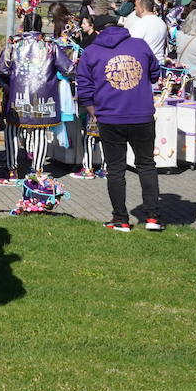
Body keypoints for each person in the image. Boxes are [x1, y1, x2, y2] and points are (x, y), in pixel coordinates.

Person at [74, 15, 162, 232]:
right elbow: (154, 74)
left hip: (109, 116)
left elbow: (83, 87)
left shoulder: (92, 52)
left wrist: (94, 111)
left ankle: (120, 219)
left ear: (98, 30)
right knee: (146, 164)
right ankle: (153, 217)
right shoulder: (139, 45)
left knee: (116, 170)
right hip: (141, 115)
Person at [0, 14, 75, 176]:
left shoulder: (13, 44)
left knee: (12, 131)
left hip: (17, 95)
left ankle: (12, 169)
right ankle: (37, 170)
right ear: (40, 26)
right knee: (39, 133)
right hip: (44, 96)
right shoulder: (50, 45)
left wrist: (7, 83)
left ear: (24, 25)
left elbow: (2, 68)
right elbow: (68, 69)